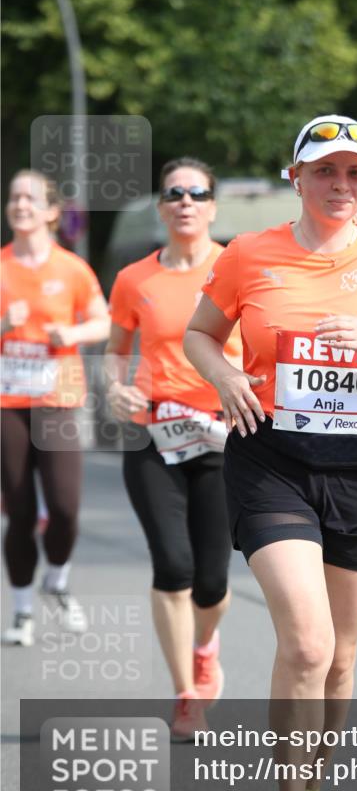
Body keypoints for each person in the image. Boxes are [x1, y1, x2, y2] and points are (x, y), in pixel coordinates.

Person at [184, 115, 357, 791]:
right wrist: (226, 373)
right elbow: (201, 333)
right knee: (306, 642)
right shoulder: (248, 254)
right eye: (325, 171)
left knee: (339, 658)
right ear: (295, 177)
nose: (340, 185)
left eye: (353, 174)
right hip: (271, 463)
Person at [105, 157, 241, 740]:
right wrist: (112, 387)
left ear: (212, 206)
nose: (186, 201)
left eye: (197, 192)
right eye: (174, 193)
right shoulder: (135, 278)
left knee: (212, 579)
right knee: (173, 565)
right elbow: (116, 351)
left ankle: (206, 646)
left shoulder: (236, 269)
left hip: (224, 432)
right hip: (152, 433)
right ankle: (187, 694)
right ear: (161, 206)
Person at [1, 169, 110, 646]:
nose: (20, 204)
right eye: (14, 198)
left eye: (30, 198)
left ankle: (57, 580)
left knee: (66, 509)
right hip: (9, 403)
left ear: (50, 212)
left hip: (60, 400)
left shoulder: (71, 269)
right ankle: (22, 610)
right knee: (19, 511)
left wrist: (75, 334)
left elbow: (101, 321)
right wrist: (4, 322)